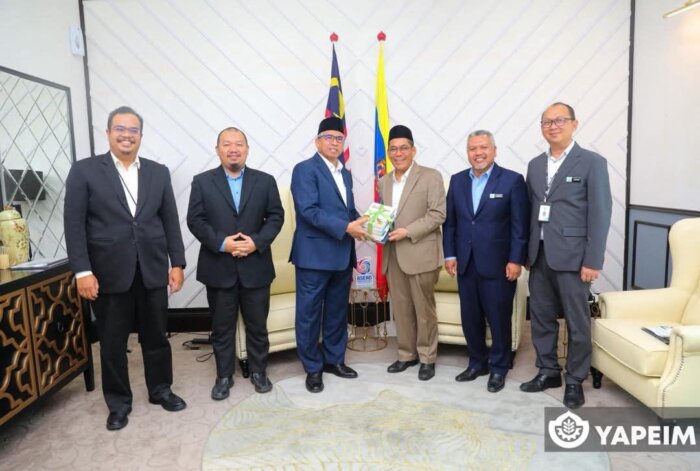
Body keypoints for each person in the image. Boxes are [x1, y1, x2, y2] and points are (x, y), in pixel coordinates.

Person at [64, 106, 187, 431]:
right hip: (107, 271)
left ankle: (161, 390)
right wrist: (82, 271)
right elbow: (74, 225)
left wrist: (177, 263)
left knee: (157, 336)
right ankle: (118, 403)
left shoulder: (158, 172)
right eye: (120, 129)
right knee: (113, 342)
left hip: (152, 268)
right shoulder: (85, 171)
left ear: (141, 136)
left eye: (133, 130)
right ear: (108, 133)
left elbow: (170, 220)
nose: (126, 135)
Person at [520, 102, 612, 409]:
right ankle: (548, 371)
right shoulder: (535, 165)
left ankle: (575, 379)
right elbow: (531, 211)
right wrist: (526, 252)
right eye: (547, 122)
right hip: (539, 255)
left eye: (560, 120)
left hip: (574, 258)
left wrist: (593, 260)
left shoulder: (592, 162)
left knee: (576, 321)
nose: (553, 126)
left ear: (574, 124)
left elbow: (600, 213)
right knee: (541, 317)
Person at [187, 127, 284, 400]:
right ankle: (223, 376)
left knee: (258, 326)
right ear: (217, 149)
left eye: (239, 144)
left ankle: (259, 371)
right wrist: (223, 243)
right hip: (219, 267)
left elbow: (276, 217)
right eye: (227, 144)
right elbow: (195, 220)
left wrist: (256, 242)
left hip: (256, 266)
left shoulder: (265, 181)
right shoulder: (202, 182)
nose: (233, 149)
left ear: (247, 149)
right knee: (222, 328)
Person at [442, 130, 529, 392]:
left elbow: (520, 226)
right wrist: (450, 254)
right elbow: (451, 223)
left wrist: (516, 260)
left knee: (499, 317)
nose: (478, 153)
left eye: (483, 147)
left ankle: (499, 367)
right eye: (473, 149)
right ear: (467, 152)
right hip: (465, 263)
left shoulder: (512, 181)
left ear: (494, 150)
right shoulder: (457, 180)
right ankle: (477, 362)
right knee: (470, 317)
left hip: (499, 265)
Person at [289, 116, 369, 393]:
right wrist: (347, 227)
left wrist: (365, 223)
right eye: (329, 138)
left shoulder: (344, 173)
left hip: (341, 254)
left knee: (336, 312)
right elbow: (308, 211)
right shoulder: (304, 170)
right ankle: (313, 368)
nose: (334, 142)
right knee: (309, 315)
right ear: (317, 142)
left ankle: (334, 360)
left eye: (339, 138)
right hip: (313, 256)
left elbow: (346, 211)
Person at [379, 125, 446, 381]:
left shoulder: (430, 176)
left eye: (403, 148)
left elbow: (438, 214)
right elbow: (385, 216)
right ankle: (406, 354)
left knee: (423, 309)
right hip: (393, 254)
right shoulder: (384, 181)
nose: (398, 153)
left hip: (420, 253)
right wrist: (374, 227)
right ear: (388, 152)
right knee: (401, 308)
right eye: (393, 149)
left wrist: (407, 231)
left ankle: (427, 357)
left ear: (413, 150)